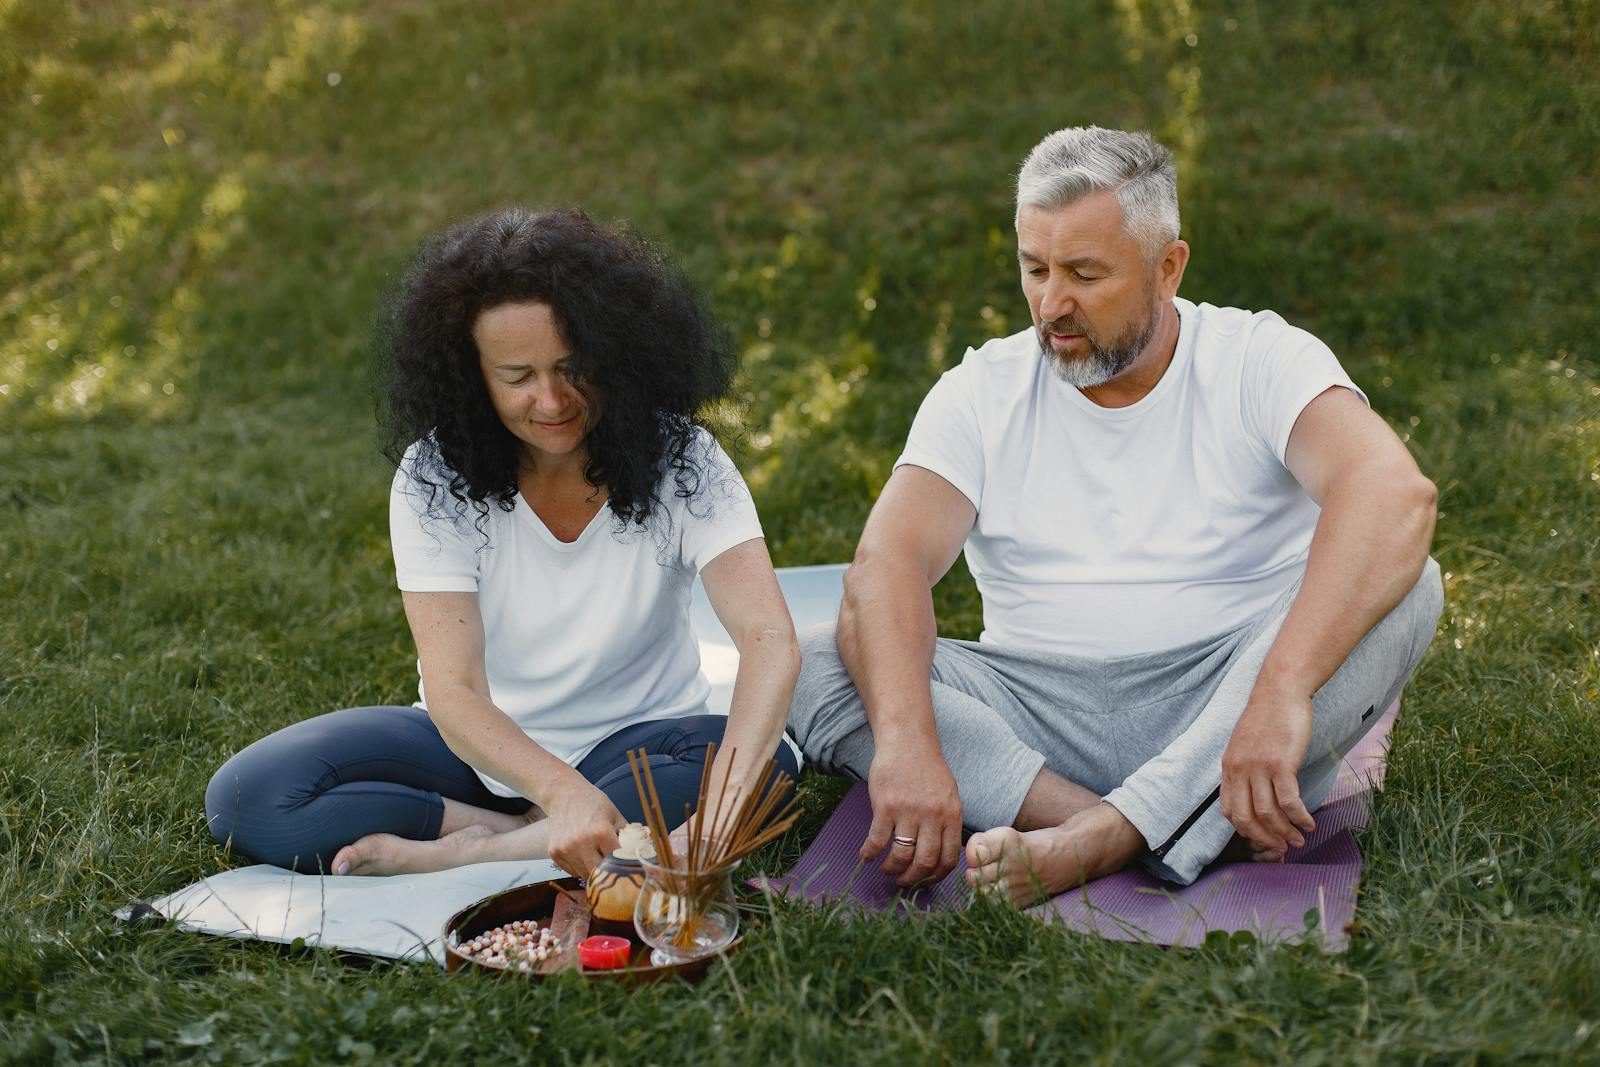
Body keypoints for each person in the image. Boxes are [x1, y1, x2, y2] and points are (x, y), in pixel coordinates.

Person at [787, 126, 1443, 904]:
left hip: (1229, 698)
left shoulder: (1259, 358)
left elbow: (1394, 494)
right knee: (817, 659)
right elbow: (885, 567)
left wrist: (1281, 693)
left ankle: (1102, 840)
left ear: (1168, 268)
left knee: (1410, 581)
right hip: (1036, 716)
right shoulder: (980, 391)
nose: (1051, 305)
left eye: (1085, 274)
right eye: (1035, 269)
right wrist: (904, 744)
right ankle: (1126, 827)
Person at [206, 208, 800, 880]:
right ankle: (529, 826)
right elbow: (454, 688)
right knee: (247, 798)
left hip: (639, 749)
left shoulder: (685, 459)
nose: (551, 400)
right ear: (472, 376)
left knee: (768, 763)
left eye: (574, 368)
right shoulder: (433, 475)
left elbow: (769, 638)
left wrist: (717, 823)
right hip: (477, 754)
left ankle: (485, 847)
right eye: (518, 377)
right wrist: (562, 793)